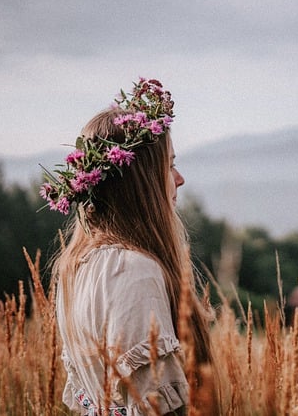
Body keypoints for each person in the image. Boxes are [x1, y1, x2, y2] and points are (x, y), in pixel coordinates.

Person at [41, 78, 214, 415]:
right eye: (169, 165)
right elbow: (156, 407)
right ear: (142, 182)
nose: (180, 179)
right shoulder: (134, 271)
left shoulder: (78, 266)